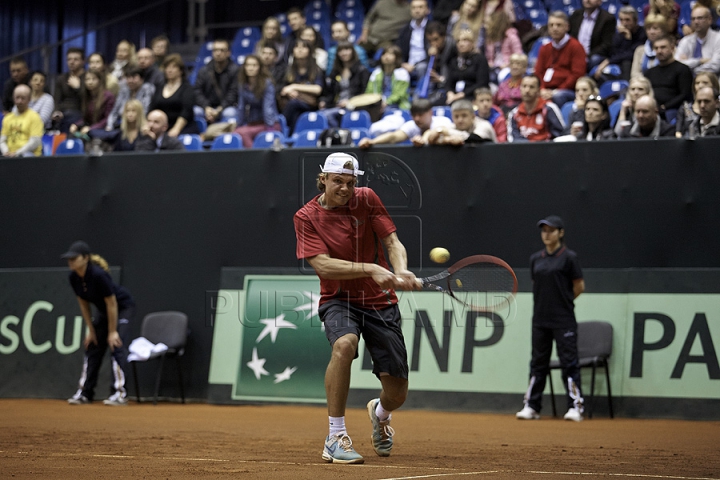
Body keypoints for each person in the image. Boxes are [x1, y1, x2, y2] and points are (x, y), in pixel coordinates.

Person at [293, 152, 420, 464]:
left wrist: (400, 270)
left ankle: (381, 413)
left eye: (350, 182)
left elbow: (392, 243)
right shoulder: (306, 217)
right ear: (322, 179)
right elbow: (323, 265)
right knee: (344, 345)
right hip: (339, 300)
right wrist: (370, 269)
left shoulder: (367, 199)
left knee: (398, 392)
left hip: (379, 302)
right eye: (338, 181)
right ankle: (335, 435)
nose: (345, 188)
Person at [516, 215, 585, 422]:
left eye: (551, 230)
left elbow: (579, 287)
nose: (547, 234)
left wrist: (562, 302)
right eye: (544, 230)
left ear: (560, 233)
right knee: (538, 363)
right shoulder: (536, 259)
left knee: (569, 363)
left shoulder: (569, 257)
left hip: (563, 320)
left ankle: (576, 406)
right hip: (540, 320)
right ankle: (532, 406)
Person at [62, 241, 135, 406]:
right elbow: (83, 304)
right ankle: (85, 393)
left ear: (85, 258)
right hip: (104, 312)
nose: (70, 261)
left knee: (116, 343)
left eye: (74, 258)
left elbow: (112, 303)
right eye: (69, 258)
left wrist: (112, 331)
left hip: (122, 307)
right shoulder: (73, 277)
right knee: (92, 345)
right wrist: (91, 330)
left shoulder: (98, 275)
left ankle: (119, 393)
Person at [534, 12, 587, 107]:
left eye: (559, 25)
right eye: (551, 25)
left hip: (566, 90)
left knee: (558, 96)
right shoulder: (545, 48)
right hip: (545, 89)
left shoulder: (576, 47)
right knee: (529, 92)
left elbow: (577, 74)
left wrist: (556, 91)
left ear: (567, 27)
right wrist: (541, 89)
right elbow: (538, 73)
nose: (555, 28)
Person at [359, 98, 453, 147]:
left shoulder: (442, 121)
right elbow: (394, 137)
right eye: (414, 115)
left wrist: (423, 140)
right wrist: (371, 141)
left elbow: (433, 132)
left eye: (420, 115)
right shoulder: (412, 125)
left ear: (430, 113)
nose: (416, 118)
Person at [278, 39, 325, 134]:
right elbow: (282, 89)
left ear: (309, 51)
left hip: (310, 104)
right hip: (293, 105)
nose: (300, 50)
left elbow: (317, 89)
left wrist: (294, 87)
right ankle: (291, 138)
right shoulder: (287, 70)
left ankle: (279, 129)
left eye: (303, 47)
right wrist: (290, 92)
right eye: (297, 47)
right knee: (296, 113)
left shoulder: (316, 70)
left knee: (293, 104)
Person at [320, 42, 371, 128]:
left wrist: (350, 101)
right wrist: (324, 101)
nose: (344, 53)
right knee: (320, 115)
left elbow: (364, 92)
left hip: (354, 106)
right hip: (336, 105)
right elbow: (330, 92)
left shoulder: (361, 70)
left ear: (353, 52)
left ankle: (338, 135)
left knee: (328, 115)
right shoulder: (335, 72)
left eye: (347, 50)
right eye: (341, 51)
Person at [234, 54, 281, 148]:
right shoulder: (243, 85)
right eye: (248, 65)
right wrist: (239, 125)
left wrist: (270, 127)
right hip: (253, 123)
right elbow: (241, 107)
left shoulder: (267, 84)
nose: (250, 68)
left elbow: (268, 107)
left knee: (242, 133)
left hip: (269, 123)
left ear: (259, 67)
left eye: (254, 65)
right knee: (236, 133)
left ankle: (254, 157)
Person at [644, 34, 693, 123]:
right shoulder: (649, 72)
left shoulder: (683, 69)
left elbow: (685, 95)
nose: (659, 51)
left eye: (663, 47)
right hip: (652, 110)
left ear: (672, 48)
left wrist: (664, 107)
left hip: (673, 111)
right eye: (656, 48)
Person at [149, 54, 199, 137]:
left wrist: (176, 129)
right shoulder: (159, 87)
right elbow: (152, 108)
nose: (169, 70)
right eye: (167, 67)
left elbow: (186, 111)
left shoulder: (187, 88)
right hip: (162, 128)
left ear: (181, 70)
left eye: (173, 67)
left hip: (183, 128)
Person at [193, 39, 239, 126]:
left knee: (229, 113)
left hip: (226, 107)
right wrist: (206, 107)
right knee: (196, 111)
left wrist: (219, 109)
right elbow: (197, 91)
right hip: (207, 107)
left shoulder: (235, 70)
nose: (218, 53)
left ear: (228, 52)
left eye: (222, 50)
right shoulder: (204, 70)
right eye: (215, 50)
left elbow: (233, 93)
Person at [593, 7, 647, 81]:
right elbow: (615, 52)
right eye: (621, 20)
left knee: (626, 63)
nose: (624, 23)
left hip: (632, 62)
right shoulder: (619, 34)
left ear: (636, 20)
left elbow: (631, 55)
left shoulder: (642, 33)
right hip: (617, 60)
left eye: (627, 20)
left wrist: (628, 39)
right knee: (595, 59)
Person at [508, 75, 565, 142]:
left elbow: (560, 135)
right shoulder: (514, 113)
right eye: (524, 86)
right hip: (523, 150)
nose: (527, 90)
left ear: (538, 90)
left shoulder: (549, 108)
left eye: (531, 87)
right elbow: (513, 139)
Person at [444, 29, 490, 105]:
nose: (461, 44)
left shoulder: (480, 59)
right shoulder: (454, 61)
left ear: (472, 43)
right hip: (454, 96)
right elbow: (449, 82)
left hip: (472, 96)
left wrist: (462, 94)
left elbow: (482, 83)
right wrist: (450, 93)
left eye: (465, 40)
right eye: (458, 41)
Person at [423, 98, 496, 143]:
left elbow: (474, 138)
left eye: (464, 116)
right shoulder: (453, 127)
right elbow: (434, 136)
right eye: (456, 116)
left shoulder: (484, 125)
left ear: (473, 116)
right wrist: (446, 140)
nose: (460, 120)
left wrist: (445, 132)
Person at [569, 0, 616, 71]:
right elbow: (570, 37)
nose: (587, 0)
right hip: (576, 54)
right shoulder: (576, 15)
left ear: (600, 1)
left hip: (594, 54)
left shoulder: (607, 18)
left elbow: (606, 45)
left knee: (594, 59)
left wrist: (587, 56)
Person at [106, 66, 155, 132]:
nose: (130, 80)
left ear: (142, 79)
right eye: (128, 77)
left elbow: (144, 112)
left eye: (134, 77)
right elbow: (115, 111)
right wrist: (109, 126)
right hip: (121, 125)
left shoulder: (147, 89)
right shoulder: (124, 90)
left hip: (140, 127)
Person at [68, 70, 116, 138]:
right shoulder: (86, 96)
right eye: (87, 79)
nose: (90, 82)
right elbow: (86, 119)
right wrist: (76, 125)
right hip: (89, 129)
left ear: (99, 80)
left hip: (103, 130)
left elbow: (108, 119)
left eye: (93, 79)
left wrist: (91, 128)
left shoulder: (108, 96)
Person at [675, 5, 720, 76]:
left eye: (700, 18)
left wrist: (690, 68)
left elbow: (716, 65)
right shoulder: (685, 40)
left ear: (710, 19)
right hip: (688, 83)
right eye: (693, 19)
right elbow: (677, 64)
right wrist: (700, 61)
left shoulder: (718, 38)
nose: (696, 22)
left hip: (713, 82)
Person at [0, 84, 44, 157]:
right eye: (17, 98)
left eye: (23, 98)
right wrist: (6, 152)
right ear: (13, 99)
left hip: (28, 154)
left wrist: (17, 153)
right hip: (9, 154)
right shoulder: (7, 118)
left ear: (29, 99)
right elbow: (2, 140)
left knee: (27, 155)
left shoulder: (34, 117)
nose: (20, 101)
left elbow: (35, 141)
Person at [365, 45, 411, 111]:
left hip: (398, 107)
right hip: (378, 105)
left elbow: (400, 94)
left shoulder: (402, 73)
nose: (386, 56)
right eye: (384, 54)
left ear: (397, 57)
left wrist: (387, 102)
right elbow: (369, 91)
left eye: (390, 54)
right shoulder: (376, 73)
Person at [396, 0, 431, 85]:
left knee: (421, 67)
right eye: (414, 8)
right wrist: (402, 63)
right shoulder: (404, 29)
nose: (417, 10)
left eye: (420, 7)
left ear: (427, 10)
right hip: (406, 64)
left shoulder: (433, 27)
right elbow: (398, 49)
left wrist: (415, 65)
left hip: (425, 63)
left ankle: (420, 95)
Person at [484, 10, 522, 85]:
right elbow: (488, 57)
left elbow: (519, 56)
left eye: (489, 23)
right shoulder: (490, 38)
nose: (486, 26)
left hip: (507, 67)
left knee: (502, 76)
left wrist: (508, 64)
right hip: (493, 67)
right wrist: (489, 63)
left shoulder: (512, 37)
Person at [675, 72, 719, 137]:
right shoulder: (685, 107)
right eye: (697, 83)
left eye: (705, 82)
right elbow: (678, 132)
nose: (700, 86)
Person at [53, 47, 86, 132]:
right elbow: (57, 99)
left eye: (76, 59)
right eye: (69, 59)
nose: (72, 62)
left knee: (71, 117)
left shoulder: (88, 78)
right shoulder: (61, 78)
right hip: (63, 113)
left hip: (80, 112)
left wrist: (78, 87)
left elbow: (87, 99)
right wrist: (57, 111)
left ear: (83, 62)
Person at [630, 13, 670, 79]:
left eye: (655, 28)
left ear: (663, 30)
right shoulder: (640, 50)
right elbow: (634, 74)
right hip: (643, 86)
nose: (651, 32)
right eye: (648, 28)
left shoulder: (670, 49)